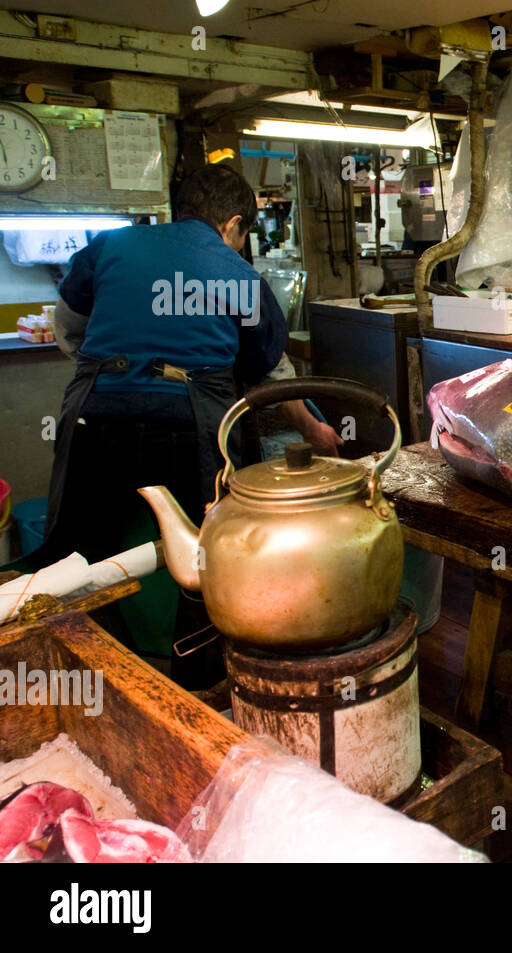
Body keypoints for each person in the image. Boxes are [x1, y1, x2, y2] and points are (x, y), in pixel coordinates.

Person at [45, 162, 340, 682]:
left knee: (77, 554)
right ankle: (197, 682)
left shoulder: (111, 245)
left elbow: (67, 323)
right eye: (244, 234)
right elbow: (270, 378)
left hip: (96, 410)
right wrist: (313, 428)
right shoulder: (241, 275)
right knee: (208, 555)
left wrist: (116, 362)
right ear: (231, 225)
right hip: (186, 418)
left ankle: (96, 675)